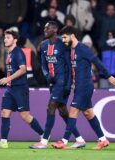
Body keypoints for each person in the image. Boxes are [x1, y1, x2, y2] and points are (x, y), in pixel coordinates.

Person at [52, 26, 115, 150]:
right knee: (88, 113)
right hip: (79, 86)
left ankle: (63, 141)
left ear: (72, 36)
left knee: (73, 111)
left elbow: (96, 61)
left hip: (85, 86)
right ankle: (103, 140)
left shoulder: (82, 48)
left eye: (65, 37)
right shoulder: (72, 50)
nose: (63, 40)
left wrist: (108, 76)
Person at [0, 28, 44, 149]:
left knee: (25, 116)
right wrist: (9, 81)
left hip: (20, 88)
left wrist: (8, 79)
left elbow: (23, 69)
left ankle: (43, 135)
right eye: (4, 37)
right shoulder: (9, 53)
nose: (5, 39)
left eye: (8, 37)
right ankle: (3, 142)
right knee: (5, 112)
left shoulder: (18, 52)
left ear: (15, 40)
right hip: (10, 89)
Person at [30, 21, 74, 149]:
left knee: (50, 107)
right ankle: (79, 138)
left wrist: (68, 84)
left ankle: (44, 141)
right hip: (52, 83)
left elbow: (69, 66)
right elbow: (43, 64)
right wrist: (47, 76)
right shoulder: (43, 45)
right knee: (63, 111)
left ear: (54, 30)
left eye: (47, 28)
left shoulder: (63, 44)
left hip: (62, 82)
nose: (44, 29)